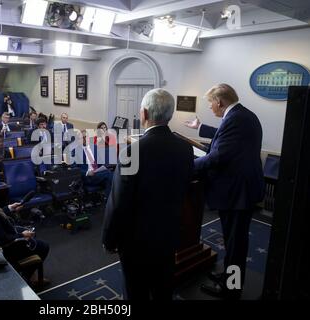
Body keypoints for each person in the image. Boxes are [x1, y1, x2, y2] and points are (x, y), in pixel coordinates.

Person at [103, 88, 193, 300]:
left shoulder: (132, 152)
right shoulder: (185, 149)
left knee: (136, 292)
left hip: (137, 241)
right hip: (169, 234)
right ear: (170, 115)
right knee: (163, 289)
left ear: (143, 114)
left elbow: (118, 203)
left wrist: (109, 238)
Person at [184, 83, 265, 299]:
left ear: (219, 102)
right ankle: (229, 278)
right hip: (240, 189)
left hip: (238, 193)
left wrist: (189, 167)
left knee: (236, 245)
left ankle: (232, 289)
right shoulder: (242, 115)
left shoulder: (236, 119)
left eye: (211, 103)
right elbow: (225, 136)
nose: (211, 107)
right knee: (232, 241)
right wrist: (201, 127)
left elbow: (218, 156)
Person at [80, 129, 113, 198]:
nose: (85, 139)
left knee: (110, 177)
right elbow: (74, 169)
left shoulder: (94, 147)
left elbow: (100, 162)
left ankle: (107, 200)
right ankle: (109, 202)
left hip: (98, 173)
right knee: (109, 175)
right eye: (83, 137)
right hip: (88, 177)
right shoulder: (76, 151)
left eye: (86, 137)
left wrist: (103, 167)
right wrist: (87, 172)